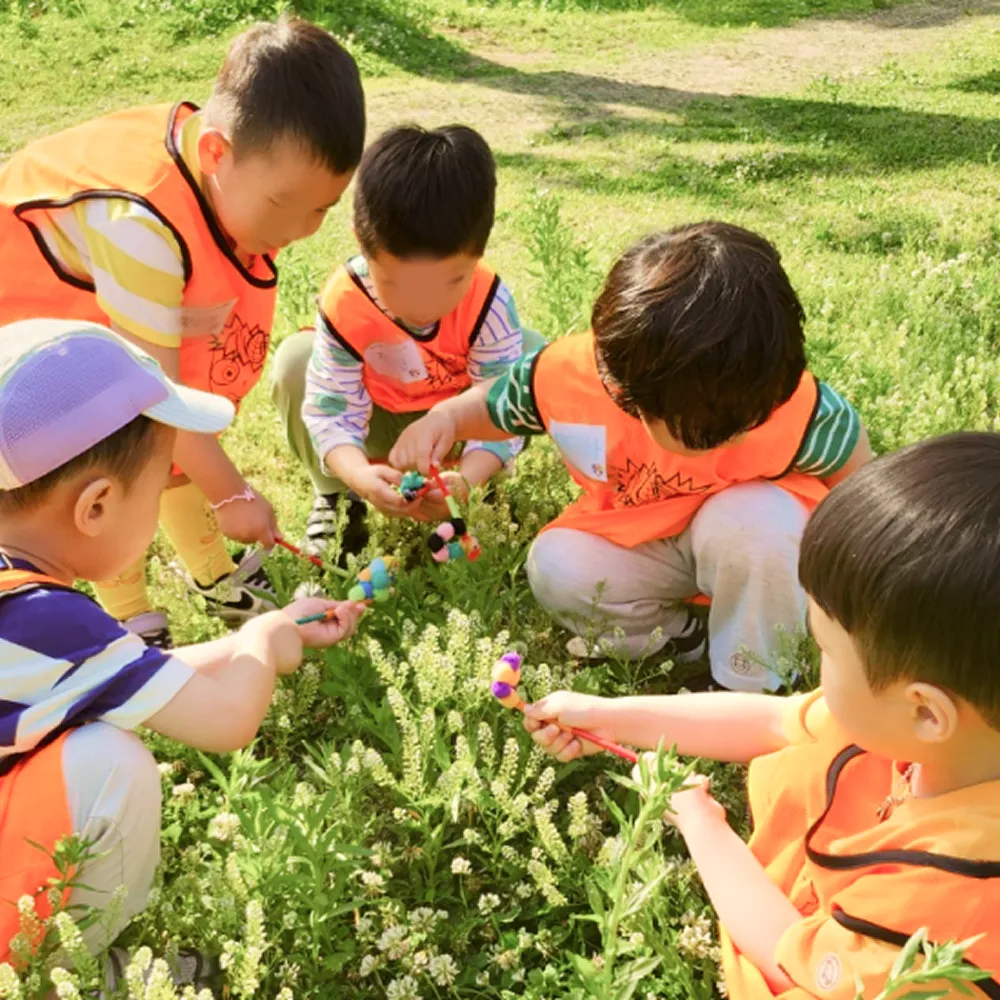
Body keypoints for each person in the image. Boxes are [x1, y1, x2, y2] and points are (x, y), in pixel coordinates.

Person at [524, 432, 1000, 998]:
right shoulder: (945, 737)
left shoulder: (942, 898)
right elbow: (773, 721)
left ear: (926, 712)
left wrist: (702, 824)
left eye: (824, 647)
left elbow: (787, 955)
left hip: (841, 970)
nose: (813, 653)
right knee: (814, 746)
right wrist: (608, 715)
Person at [0, 319, 365, 964]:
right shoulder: (48, 623)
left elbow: (119, 674)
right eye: (166, 476)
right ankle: (70, 969)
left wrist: (251, 638)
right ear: (96, 507)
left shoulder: (26, 615)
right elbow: (226, 720)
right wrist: (263, 640)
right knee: (109, 762)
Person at [0, 17, 366, 648]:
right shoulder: (139, 227)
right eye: (285, 206)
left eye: (322, 209)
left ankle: (212, 574)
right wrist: (233, 496)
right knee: (113, 449)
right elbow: (153, 399)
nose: (303, 229)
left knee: (171, 437)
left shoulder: (223, 169)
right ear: (216, 153)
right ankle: (127, 610)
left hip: (95, 313)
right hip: (28, 327)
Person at [390, 222, 872, 690]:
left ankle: (750, 679)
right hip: (640, 537)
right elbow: (499, 405)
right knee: (556, 567)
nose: (740, 432)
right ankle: (676, 637)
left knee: (755, 522)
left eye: (751, 420)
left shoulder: (799, 411)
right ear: (631, 398)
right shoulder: (568, 378)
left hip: (753, 546)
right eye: (713, 432)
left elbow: (868, 496)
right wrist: (446, 421)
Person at [270, 124, 542, 559]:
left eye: (451, 282)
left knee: (531, 364)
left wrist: (468, 477)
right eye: (397, 284)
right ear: (363, 243)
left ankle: (480, 481)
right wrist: (359, 475)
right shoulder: (346, 300)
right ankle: (339, 498)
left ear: (480, 252)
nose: (423, 305)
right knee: (295, 361)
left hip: (457, 429)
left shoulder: (488, 301)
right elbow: (330, 408)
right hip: (380, 426)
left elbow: (499, 408)